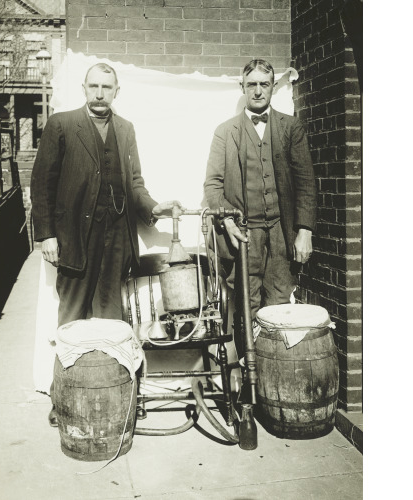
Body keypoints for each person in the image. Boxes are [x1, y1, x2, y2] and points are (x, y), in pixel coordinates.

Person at [31, 63, 183, 426]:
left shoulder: (126, 130)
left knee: (111, 321)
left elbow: (135, 183)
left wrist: (154, 207)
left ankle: (110, 398)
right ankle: (63, 398)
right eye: (94, 86)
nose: (100, 93)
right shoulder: (62, 125)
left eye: (107, 87)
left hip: (116, 241)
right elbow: (42, 183)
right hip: (74, 242)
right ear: (84, 88)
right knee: (71, 322)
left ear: (117, 91)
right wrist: (47, 235)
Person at [204, 59, 316, 350]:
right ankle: (248, 387)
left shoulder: (291, 128)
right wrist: (227, 222)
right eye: (251, 84)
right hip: (244, 236)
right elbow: (212, 185)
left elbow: (305, 181)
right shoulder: (226, 132)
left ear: (272, 88)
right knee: (246, 307)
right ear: (242, 87)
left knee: (279, 306)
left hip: (281, 232)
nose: (257, 91)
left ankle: (272, 382)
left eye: (263, 84)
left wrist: (305, 230)